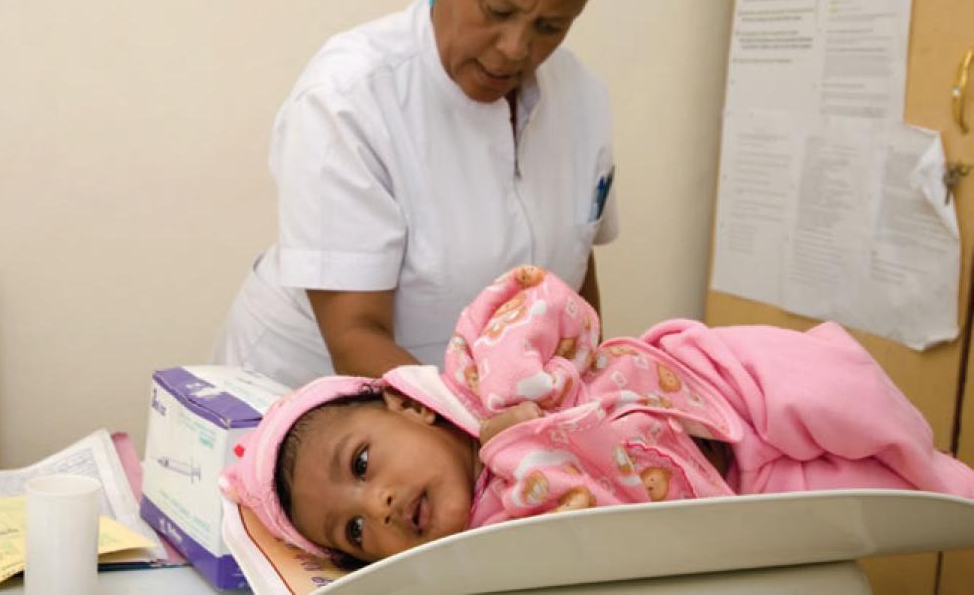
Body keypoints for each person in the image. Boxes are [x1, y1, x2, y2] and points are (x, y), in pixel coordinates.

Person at [221, 266, 974, 566]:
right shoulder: (490, 540)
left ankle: (929, 459)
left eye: (360, 463)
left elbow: (544, 295)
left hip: (720, 389)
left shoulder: (480, 364)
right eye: (353, 532)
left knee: (847, 397)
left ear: (403, 405)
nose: (376, 504)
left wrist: (522, 389)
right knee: (894, 502)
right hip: (744, 494)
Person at [211, 0, 621, 388]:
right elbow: (356, 334)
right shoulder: (349, 96)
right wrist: (484, 429)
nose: (516, 49)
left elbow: (575, 275)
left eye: (551, 26)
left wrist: (588, 387)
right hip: (314, 402)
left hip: (481, 413)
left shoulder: (581, 96)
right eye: (495, 11)